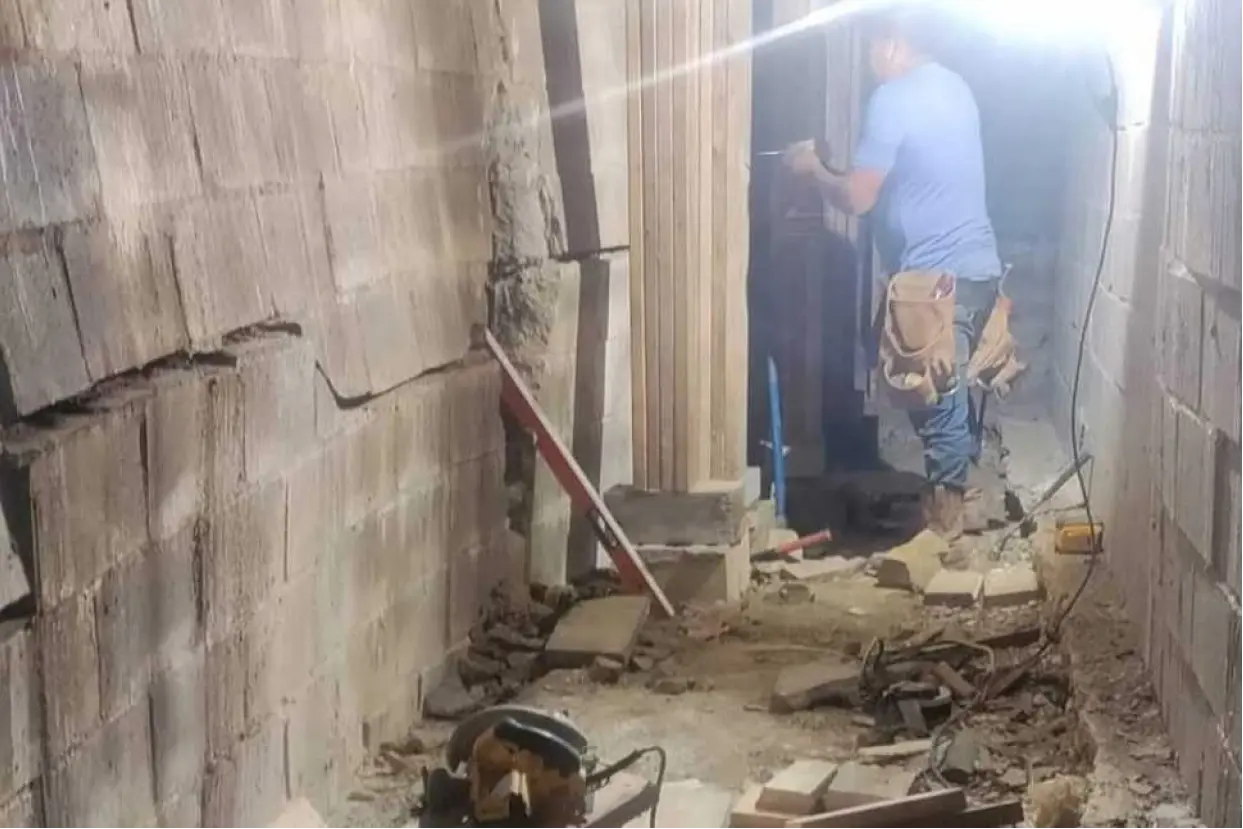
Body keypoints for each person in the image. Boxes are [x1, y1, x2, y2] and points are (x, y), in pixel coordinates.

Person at [781, 9, 1002, 541]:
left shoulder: (894, 97)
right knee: (931, 385)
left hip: (937, 277)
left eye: (872, 48)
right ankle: (955, 489)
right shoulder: (956, 89)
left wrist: (812, 171)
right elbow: (917, 175)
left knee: (935, 391)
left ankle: (947, 520)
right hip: (975, 268)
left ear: (894, 44)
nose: (869, 61)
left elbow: (858, 197)